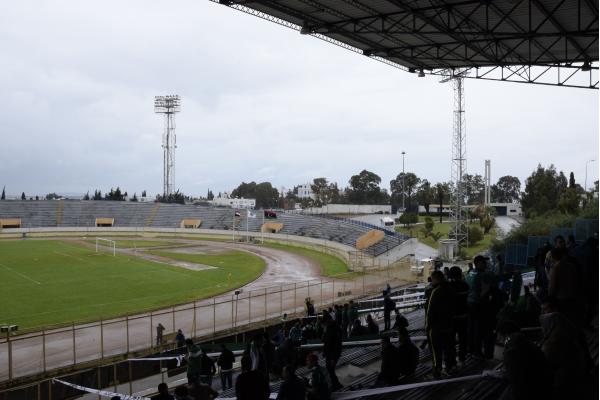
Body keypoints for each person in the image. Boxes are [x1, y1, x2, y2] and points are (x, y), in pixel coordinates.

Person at [426, 270, 456, 378]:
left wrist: (427, 327)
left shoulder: (435, 291)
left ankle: (436, 371)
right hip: (449, 325)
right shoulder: (451, 289)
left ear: (436, 279)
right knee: (449, 348)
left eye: (432, 279)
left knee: (436, 351)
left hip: (436, 327)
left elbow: (430, 311)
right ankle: (449, 368)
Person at [448, 266, 469, 365]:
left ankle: (452, 361)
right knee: (463, 339)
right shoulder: (465, 285)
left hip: (451, 318)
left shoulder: (448, 287)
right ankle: (462, 358)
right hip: (463, 316)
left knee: (451, 341)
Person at [321, 312, 342, 391]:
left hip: (333, 355)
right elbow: (325, 341)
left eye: (325, 322)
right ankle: (335, 385)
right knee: (330, 370)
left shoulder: (336, 328)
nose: (325, 324)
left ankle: (336, 386)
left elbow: (337, 345)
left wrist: (333, 358)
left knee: (330, 370)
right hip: (329, 354)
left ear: (329, 320)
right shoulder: (328, 328)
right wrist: (324, 352)